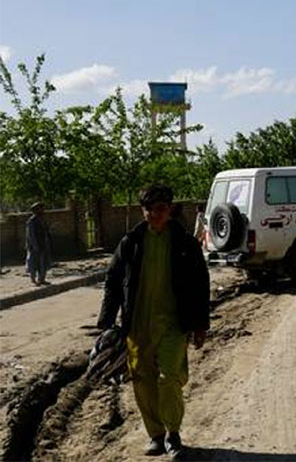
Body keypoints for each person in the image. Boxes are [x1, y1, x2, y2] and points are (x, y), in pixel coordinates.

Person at [97, 185, 210, 456]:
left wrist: (200, 324)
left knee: (169, 377)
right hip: (138, 326)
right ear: (143, 211)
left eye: (160, 209)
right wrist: (106, 323)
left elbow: (200, 284)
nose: (155, 215)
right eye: (149, 210)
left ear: (169, 210)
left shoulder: (185, 243)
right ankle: (156, 435)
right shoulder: (131, 242)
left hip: (173, 324)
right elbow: (112, 280)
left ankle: (173, 433)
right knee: (142, 380)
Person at [25, 202, 52, 285]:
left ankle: (42, 279)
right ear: (36, 210)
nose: (43, 210)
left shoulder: (42, 219)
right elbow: (31, 235)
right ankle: (33, 279)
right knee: (33, 263)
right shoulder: (31, 221)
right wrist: (35, 246)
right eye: (41, 208)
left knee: (43, 263)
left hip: (43, 244)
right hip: (35, 246)